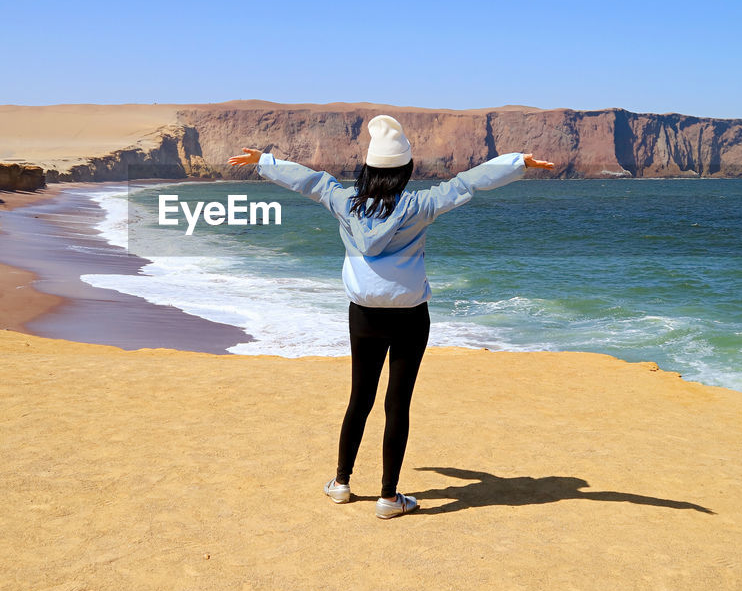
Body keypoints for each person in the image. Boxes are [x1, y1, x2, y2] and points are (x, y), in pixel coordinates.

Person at [228, 115, 554, 519]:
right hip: (410, 316)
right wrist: (518, 162)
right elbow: (468, 182)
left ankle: (342, 483)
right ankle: (388, 497)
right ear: (406, 170)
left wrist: (264, 161)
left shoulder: (344, 203)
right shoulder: (419, 206)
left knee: (359, 398)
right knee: (397, 404)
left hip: (364, 315)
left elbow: (309, 181)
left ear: (367, 168)